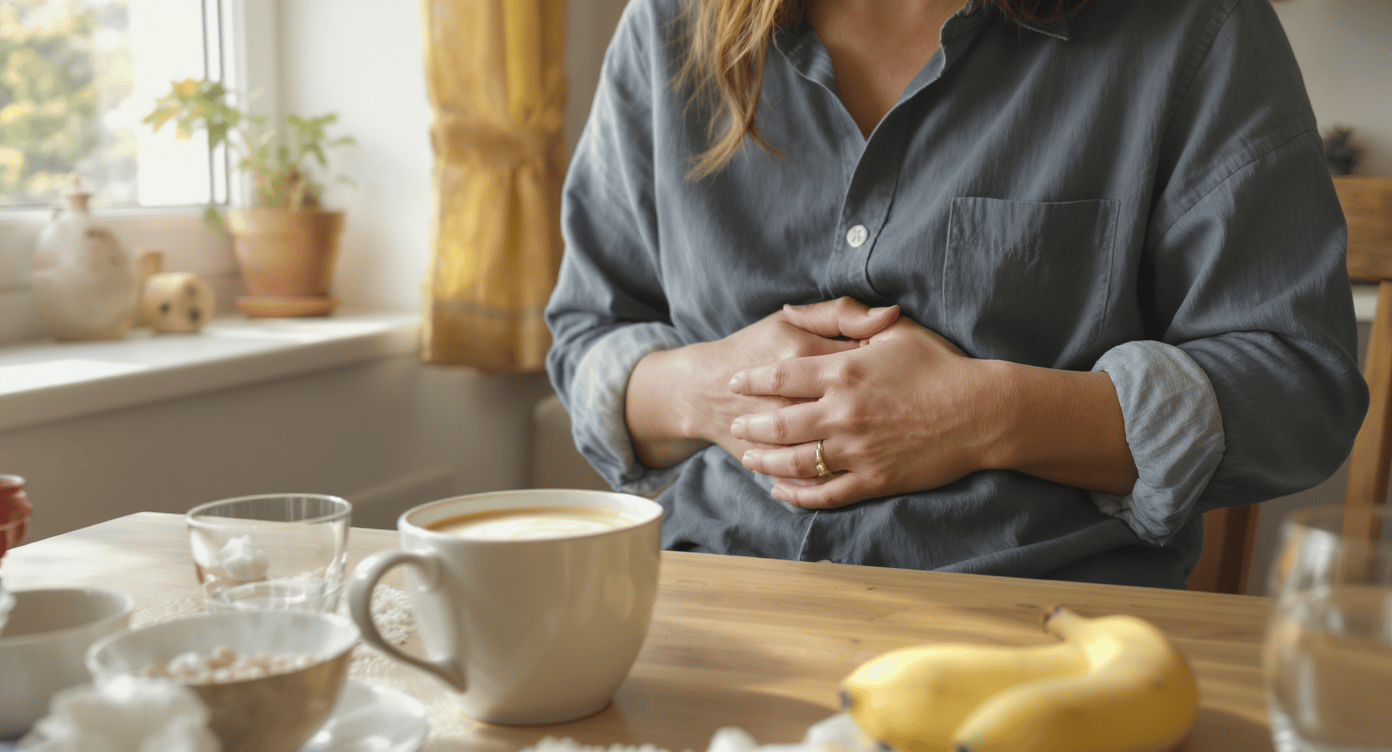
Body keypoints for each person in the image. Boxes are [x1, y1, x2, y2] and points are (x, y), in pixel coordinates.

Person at [544, 0, 1369, 588]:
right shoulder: (667, 24)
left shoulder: (1196, 27)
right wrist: (713, 393)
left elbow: (1298, 387)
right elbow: (588, 335)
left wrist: (986, 415)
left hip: (1039, 633)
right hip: (704, 603)